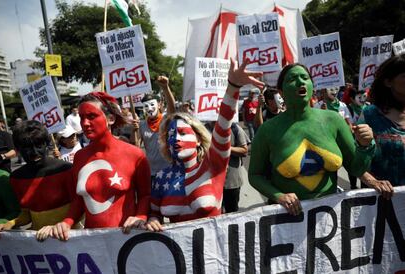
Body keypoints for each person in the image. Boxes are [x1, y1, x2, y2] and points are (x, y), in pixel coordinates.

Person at [146, 59, 264, 231]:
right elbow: (154, 214)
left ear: (199, 138)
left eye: (183, 133)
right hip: (179, 254)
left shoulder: (212, 165)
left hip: (214, 253)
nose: (175, 139)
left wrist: (233, 87)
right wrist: (152, 220)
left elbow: (223, 126)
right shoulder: (161, 178)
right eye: (170, 135)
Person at [248, 63, 377, 216]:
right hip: (288, 217)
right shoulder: (267, 130)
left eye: (305, 78)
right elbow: (255, 175)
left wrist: (365, 145)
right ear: (281, 93)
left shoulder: (333, 120)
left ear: (311, 86)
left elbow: (356, 168)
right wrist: (279, 196)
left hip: (330, 215)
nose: (300, 82)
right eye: (292, 79)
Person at [51, 92, 151, 241]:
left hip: (127, 239)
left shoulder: (135, 154)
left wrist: (140, 216)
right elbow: (79, 200)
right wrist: (67, 222)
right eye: (82, 118)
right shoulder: (79, 157)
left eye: (91, 117)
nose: (84, 123)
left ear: (110, 119)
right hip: (93, 244)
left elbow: (145, 195)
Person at [0, 120, 77, 241]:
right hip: (39, 241)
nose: (34, 152)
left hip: (70, 238)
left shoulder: (66, 169)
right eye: (27, 148)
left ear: (47, 143)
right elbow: (27, 214)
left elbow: (79, 207)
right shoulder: (17, 177)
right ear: (18, 149)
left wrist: (63, 225)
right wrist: (10, 223)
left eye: (38, 145)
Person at [358, 54, 405, 191]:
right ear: (388, 82)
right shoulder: (370, 115)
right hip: (384, 203)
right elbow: (355, 163)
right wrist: (374, 182)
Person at [131, 76, 176, 177]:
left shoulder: (165, 120)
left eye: (152, 105)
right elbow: (136, 146)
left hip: (169, 170)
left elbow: (172, 109)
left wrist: (165, 88)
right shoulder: (141, 125)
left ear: (159, 105)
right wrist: (134, 130)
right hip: (152, 173)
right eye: (146, 106)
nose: (149, 108)